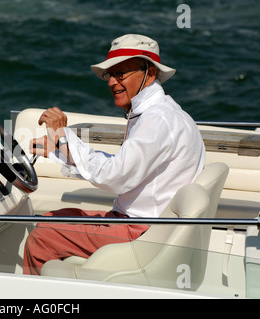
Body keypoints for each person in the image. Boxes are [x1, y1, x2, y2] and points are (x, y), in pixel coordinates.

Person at [23, 34, 206, 276]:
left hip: (142, 232)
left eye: (121, 74)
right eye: (110, 75)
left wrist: (63, 135)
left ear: (149, 74)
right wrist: (61, 151)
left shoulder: (157, 120)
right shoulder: (163, 113)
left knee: (41, 238)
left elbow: (114, 177)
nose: (111, 82)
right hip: (148, 226)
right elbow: (122, 167)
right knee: (49, 218)